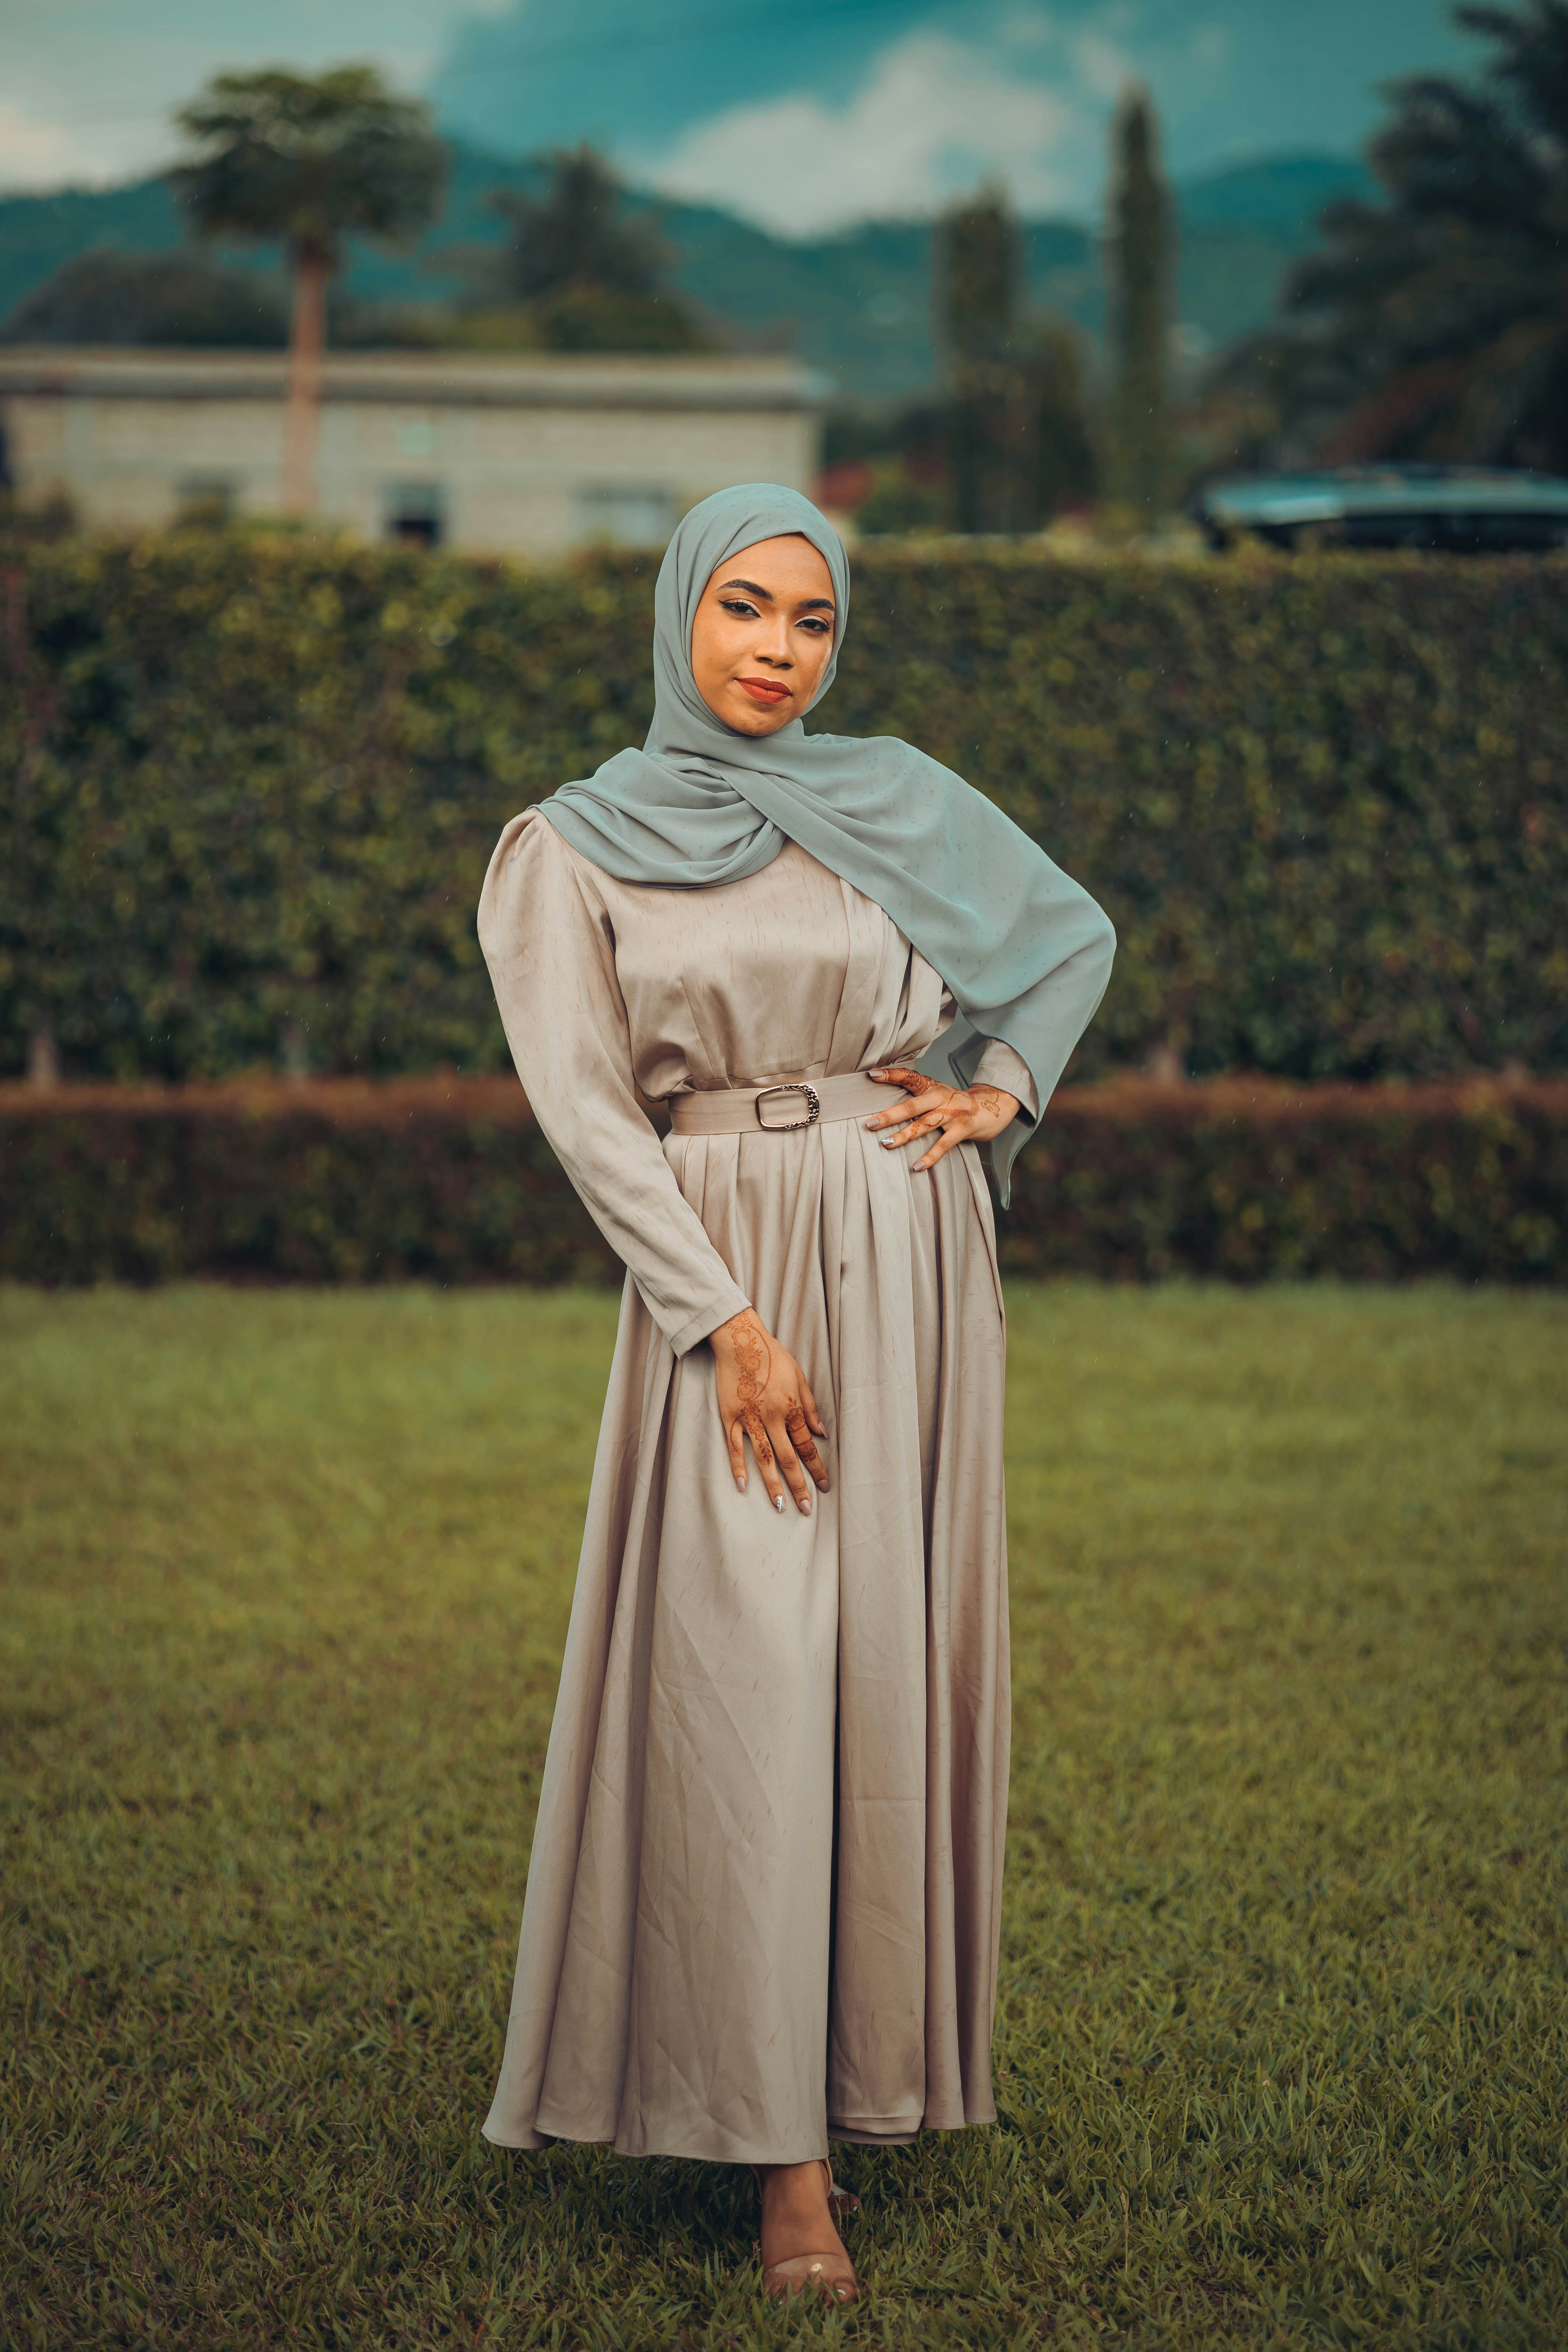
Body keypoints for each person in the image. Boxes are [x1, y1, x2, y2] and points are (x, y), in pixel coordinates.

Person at [477, 483, 1114, 2303]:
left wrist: (1001, 1092)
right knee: (750, 1677)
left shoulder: (889, 793)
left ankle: (863, 2077)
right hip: (724, 1271)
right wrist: (723, 1322)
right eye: (744, 608)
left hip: (914, 1250)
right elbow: (592, 1113)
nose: (775, 650)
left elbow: (1066, 940)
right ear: (682, 611)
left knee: (882, 1676)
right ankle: (785, 2169)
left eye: (812, 621)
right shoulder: (569, 849)